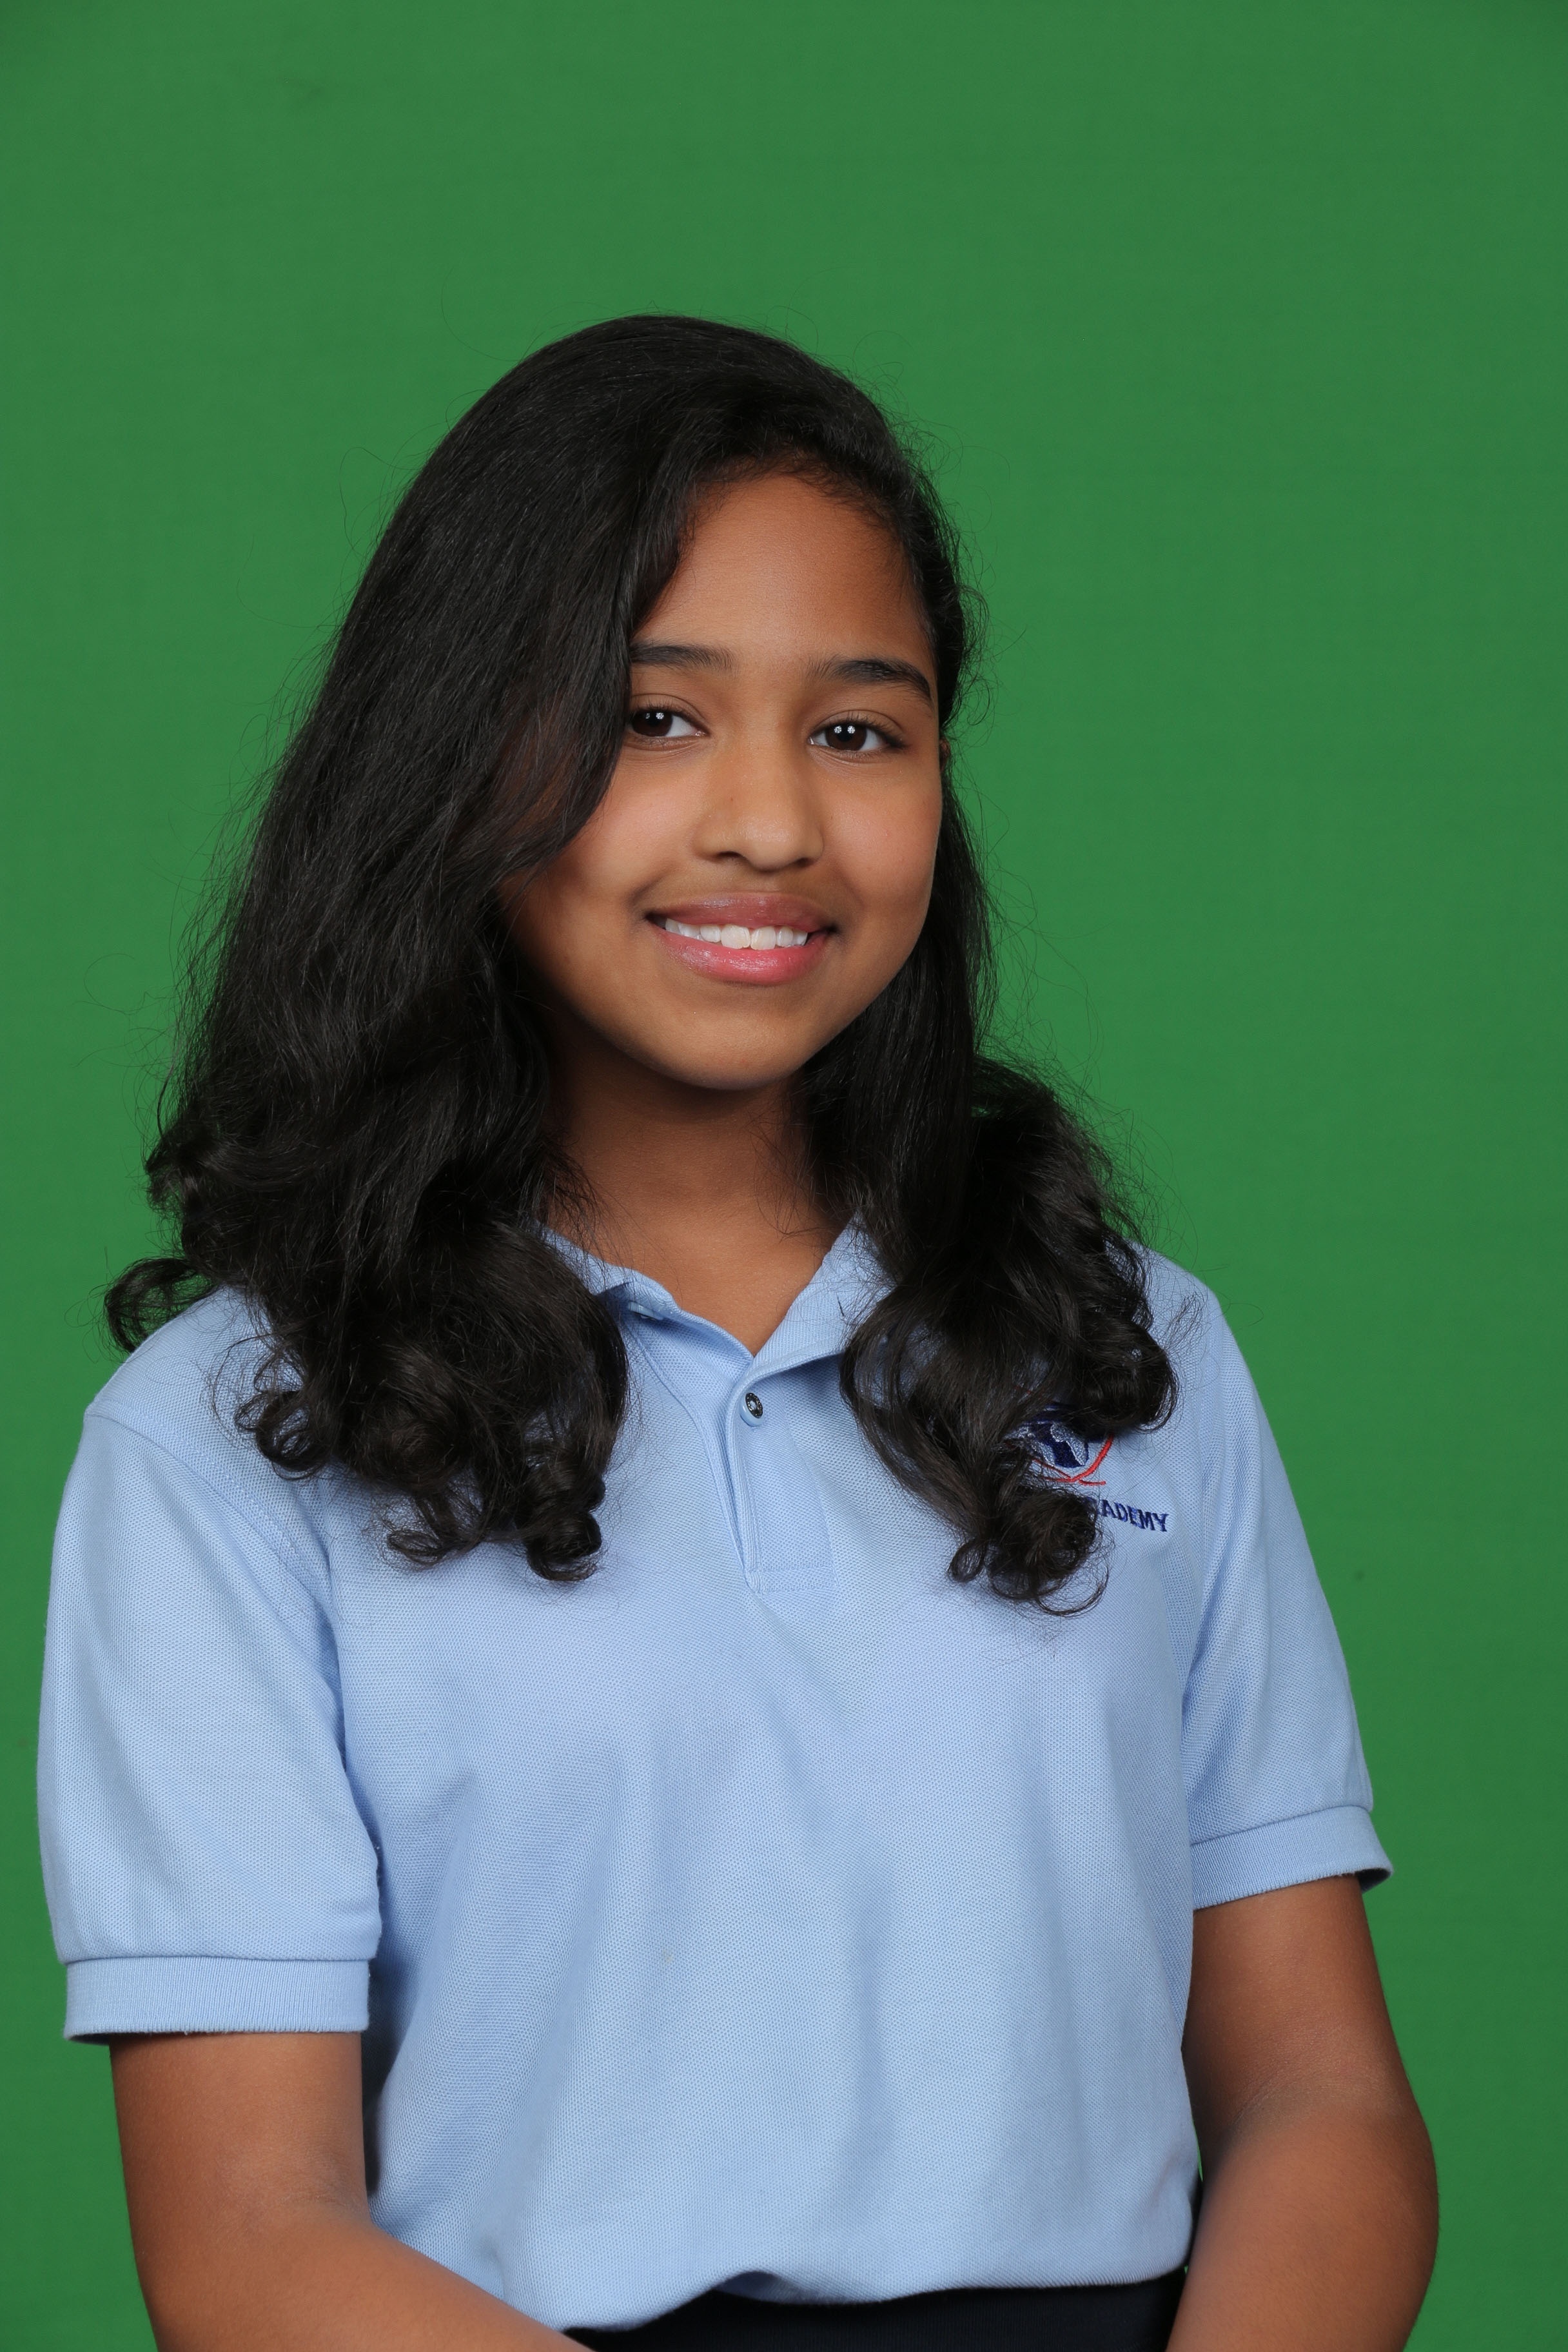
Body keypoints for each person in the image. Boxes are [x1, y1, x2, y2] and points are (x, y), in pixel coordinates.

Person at [37, 316, 1436, 2352]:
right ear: (456, 756)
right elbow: (251, 2244)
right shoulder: (231, 1433)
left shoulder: (1132, 1349)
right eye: (653, 718)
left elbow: (1323, 2099)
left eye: (860, 731)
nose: (772, 823)